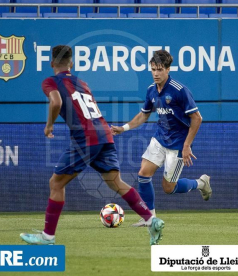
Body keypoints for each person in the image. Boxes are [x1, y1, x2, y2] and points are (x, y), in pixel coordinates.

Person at [20, 45, 164, 245]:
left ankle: (48, 237)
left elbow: (56, 102)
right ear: (71, 63)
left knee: (56, 183)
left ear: (52, 63)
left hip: (85, 137)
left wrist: (49, 126)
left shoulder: (50, 81)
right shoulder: (82, 83)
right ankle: (151, 219)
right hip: (104, 133)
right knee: (115, 182)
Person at [111, 50, 212, 227]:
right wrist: (124, 128)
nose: (156, 73)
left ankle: (201, 183)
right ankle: (150, 217)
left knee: (168, 188)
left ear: (167, 69)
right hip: (160, 139)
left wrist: (187, 145)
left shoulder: (179, 91)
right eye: (153, 69)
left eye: (159, 69)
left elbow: (197, 118)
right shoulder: (151, 90)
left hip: (178, 144)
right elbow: (143, 115)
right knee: (143, 174)